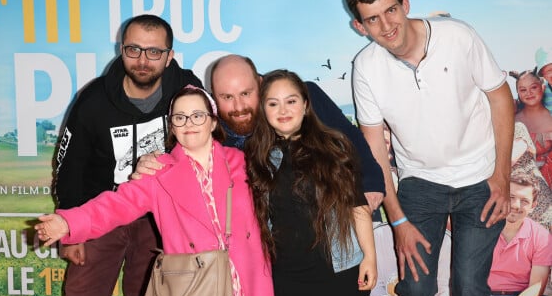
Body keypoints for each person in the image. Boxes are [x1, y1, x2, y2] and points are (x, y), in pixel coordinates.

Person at [345, 0, 515, 296]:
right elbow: (375, 149)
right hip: (420, 185)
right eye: (373, 19)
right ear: (359, 27)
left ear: (405, 3)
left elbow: (500, 97)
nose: (387, 26)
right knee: (417, 292)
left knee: (469, 287)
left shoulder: (458, 36)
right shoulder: (365, 66)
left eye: (391, 10)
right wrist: (398, 221)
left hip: (480, 177)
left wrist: (501, 177)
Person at [37, 86, 274, 296]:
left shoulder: (242, 163)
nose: (189, 123)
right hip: (194, 290)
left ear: (213, 121)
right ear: (172, 126)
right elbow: (116, 205)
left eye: (197, 115)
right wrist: (68, 223)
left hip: (248, 284)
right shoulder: (159, 172)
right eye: (180, 117)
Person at [53, 14, 202, 296]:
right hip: (100, 210)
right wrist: (71, 229)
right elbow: (70, 168)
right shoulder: (93, 100)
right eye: (133, 50)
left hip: (157, 218)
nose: (143, 61)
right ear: (121, 50)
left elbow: (205, 150)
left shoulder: (187, 91)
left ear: (169, 56)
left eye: (154, 52)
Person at [134, 54, 385, 211]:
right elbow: (181, 161)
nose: (239, 107)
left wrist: (372, 181)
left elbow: (348, 138)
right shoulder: (209, 126)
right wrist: (152, 164)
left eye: (246, 93)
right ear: (213, 96)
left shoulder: (299, 98)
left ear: (260, 84)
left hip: (322, 228)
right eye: (227, 97)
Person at [244, 69, 377, 296]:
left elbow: (357, 205)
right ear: (264, 110)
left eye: (291, 101)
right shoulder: (257, 157)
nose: (283, 110)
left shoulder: (335, 148)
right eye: (273, 103)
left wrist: (370, 257)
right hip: (284, 278)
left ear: (305, 105)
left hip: (339, 273)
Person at [488, 172, 552, 296]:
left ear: (533, 205)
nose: (516, 205)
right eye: (511, 197)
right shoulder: (481, 228)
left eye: (524, 201)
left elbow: (536, 288)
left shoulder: (542, 236)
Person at [512, 69, 552, 187]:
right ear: (518, 93)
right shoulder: (513, 119)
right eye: (523, 90)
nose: (528, 93)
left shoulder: (551, 115)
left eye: (533, 87)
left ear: (543, 88)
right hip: (520, 183)